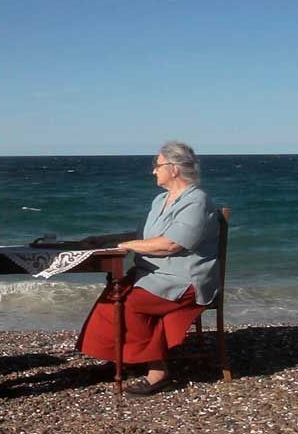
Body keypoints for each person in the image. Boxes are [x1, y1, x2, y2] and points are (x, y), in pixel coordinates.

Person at [77, 141, 220, 396]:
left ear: (174, 169)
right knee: (112, 295)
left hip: (185, 279)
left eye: (157, 165)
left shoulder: (197, 201)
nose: (154, 170)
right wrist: (106, 239)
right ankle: (122, 359)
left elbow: (170, 244)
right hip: (153, 274)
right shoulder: (160, 200)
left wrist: (125, 245)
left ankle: (158, 371)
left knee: (129, 303)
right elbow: (145, 235)